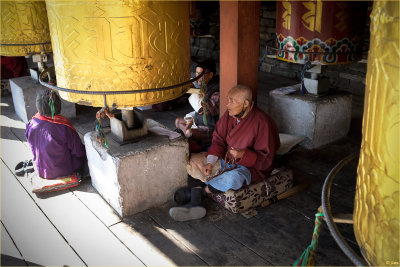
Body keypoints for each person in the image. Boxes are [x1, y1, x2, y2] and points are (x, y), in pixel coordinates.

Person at [170, 84, 280, 221]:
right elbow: (218, 141)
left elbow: (266, 160)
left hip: (249, 168)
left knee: (233, 178)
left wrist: (243, 155)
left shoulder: (262, 122)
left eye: (231, 101)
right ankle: (196, 204)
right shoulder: (230, 116)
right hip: (227, 159)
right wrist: (210, 163)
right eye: (227, 100)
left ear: (245, 103)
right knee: (194, 160)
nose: (227, 105)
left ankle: (197, 195)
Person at [25, 89, 87, 179]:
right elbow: (78, 151)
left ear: (38, 106)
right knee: (84, 154)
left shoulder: (31, 123)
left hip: (41, 169)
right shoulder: (64, 127)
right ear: (58, 106)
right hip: (63, 170)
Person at [175, 58, 219, 152]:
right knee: (178, 121)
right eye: (196, 73)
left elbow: (205, 111)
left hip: (210, 127)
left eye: (201, 74)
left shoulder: (216, 90)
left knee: (189, 132)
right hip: (199, 122)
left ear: (211, 75)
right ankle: (188, 135)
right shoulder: (204, 86)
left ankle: (189, 141)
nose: (198, 77)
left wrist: (194, 92)